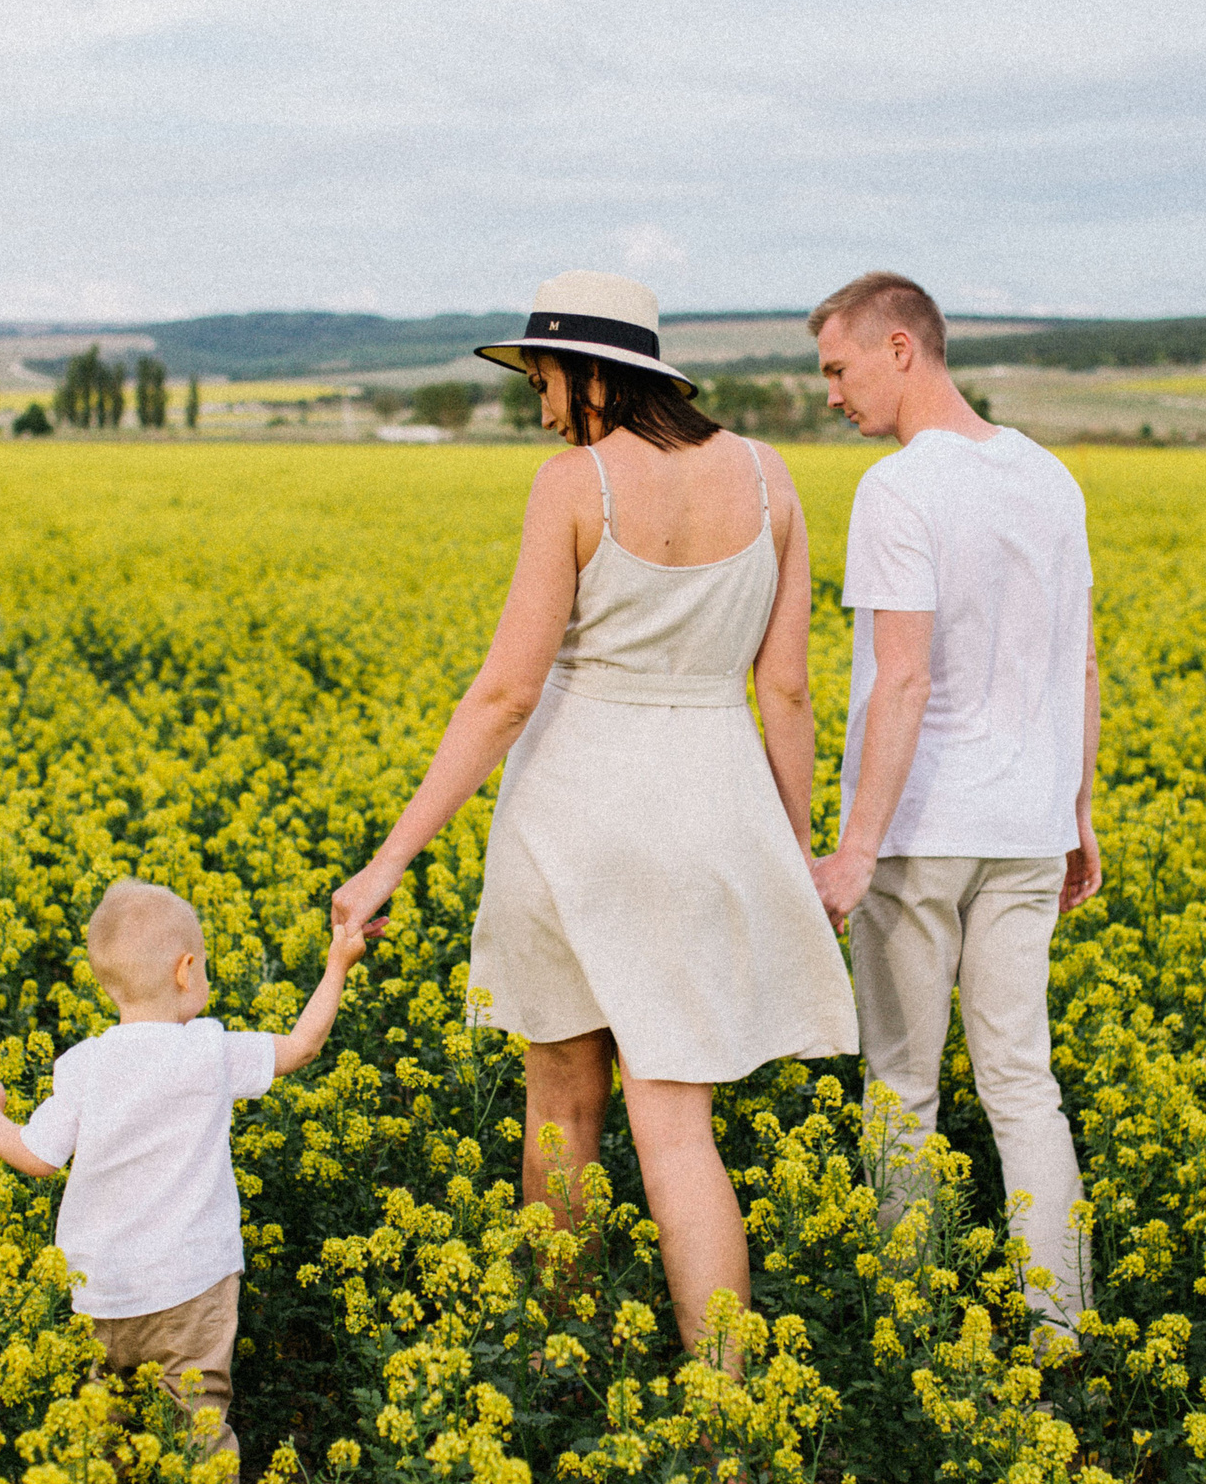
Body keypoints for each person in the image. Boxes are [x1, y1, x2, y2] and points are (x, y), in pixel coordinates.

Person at [330, 270, 856, 1360]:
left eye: (540, 374)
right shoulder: (770, 479)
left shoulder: (573, 483)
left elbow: (505, 695)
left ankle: (556, 1366)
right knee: (678, 1133)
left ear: (587, 372)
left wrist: (386, 863)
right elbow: (791, 692)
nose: (536, 398)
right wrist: (792, 852)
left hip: (575, 818)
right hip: (713, 811)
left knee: (561, 1112)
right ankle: (730, 1429)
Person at [806, 270, 1103, 1338]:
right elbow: (1079, 663)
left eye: (837, 368)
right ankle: (1060, 1327)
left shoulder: (898, 489)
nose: (829, 395)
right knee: (1024, 1084)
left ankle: (914, 1321)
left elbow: (905, 680)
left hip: (926, 832)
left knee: (902, 1086)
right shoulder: (1050, 478)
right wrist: (1075, 812)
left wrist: (855, 850)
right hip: (1025, 828)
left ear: (899, 349)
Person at [0, 878, 382, 1467]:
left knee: (98, 1429)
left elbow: (37, 1157)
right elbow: (303, 1046)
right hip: (192, 1289)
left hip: (99, 1292)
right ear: (186, 971)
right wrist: (338, 963)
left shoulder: (82, 1066)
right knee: (198, 1429)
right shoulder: (208, 1050)